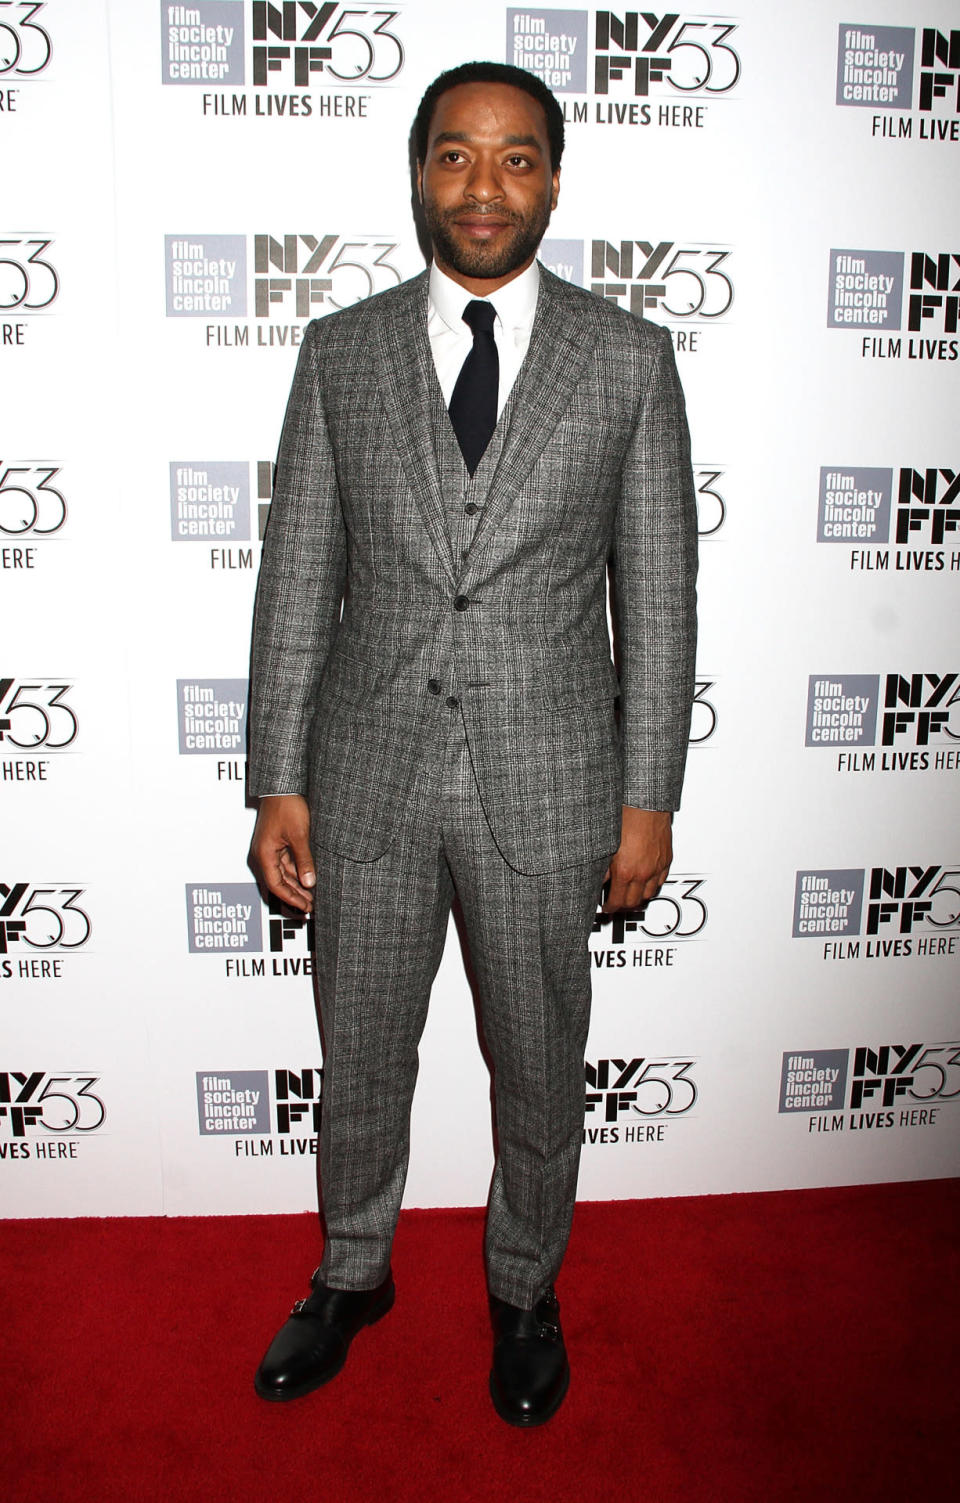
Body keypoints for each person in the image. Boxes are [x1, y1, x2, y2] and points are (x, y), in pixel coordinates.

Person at [247, 60, 698, 1427]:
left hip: (550, 777)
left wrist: (649, 801)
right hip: (367, 771)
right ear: (420, 174)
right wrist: (277, 774)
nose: (483, 186)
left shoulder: (627, 359)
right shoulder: (343, 349)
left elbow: (661, 595)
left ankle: (523, 1288)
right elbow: (298, 575)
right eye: (455, 156)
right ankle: (352, 1269)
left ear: (553, 178)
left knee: (542, 1060)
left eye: (514, 159)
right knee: (362, 1051)